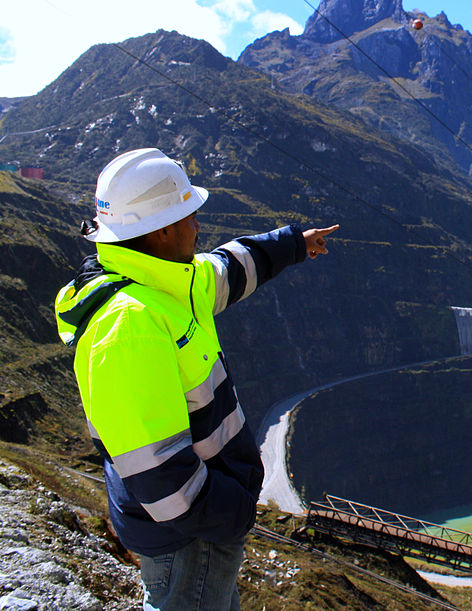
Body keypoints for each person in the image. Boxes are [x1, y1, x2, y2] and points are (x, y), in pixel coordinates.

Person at [54, 148, 337, 610]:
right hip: (190, 534)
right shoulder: (129, 328)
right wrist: (233, 513)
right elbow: (157, 470)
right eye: (189, 216)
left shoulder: (166, 284)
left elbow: (227, 268)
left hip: (201, 522)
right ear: (162, 230)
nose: (198, 227)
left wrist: (293, 244)